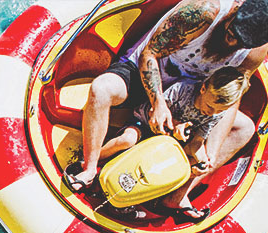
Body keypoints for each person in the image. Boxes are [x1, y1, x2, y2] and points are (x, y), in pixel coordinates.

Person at [69, 0, 268, 215]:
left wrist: (210, 152)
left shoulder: (255, 51)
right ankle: (88, 169)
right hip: (144, 76)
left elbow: (233, 94)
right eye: (233, 32)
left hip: (193, 99)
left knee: (244, 129)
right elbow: (149, 54)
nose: (232, 42)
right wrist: (158, 104)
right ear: (236, 8)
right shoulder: (203, 12)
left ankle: (178, 195)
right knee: (102, 89)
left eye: (242, 42)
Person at [72, 66, 249, 222]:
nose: (213, 113)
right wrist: (175, 125)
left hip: (168, 143)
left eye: (220, 111)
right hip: (147, 125)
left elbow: (196, 142)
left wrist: (202, 160)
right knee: (127, 140)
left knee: (193, 165)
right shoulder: (182, 90)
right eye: (211, 107)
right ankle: (89, 163)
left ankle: (139, 200)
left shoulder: (215, 115)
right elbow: (153, 112)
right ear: (203, 89)